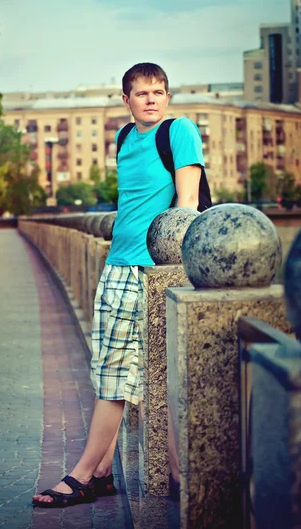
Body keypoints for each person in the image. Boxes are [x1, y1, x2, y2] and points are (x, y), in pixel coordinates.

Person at [32, 62, 204, 508]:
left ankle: (84, 473)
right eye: (142, 93)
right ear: (126, 101)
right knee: (137, 375)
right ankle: (168, 474)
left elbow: (186, 203)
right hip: (117, 264)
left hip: (151, 269)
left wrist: (172, 269)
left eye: (160, 91)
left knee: (115, 373)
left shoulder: (179, 131)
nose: (152, 99)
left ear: (167, 97)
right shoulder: (125, 138)